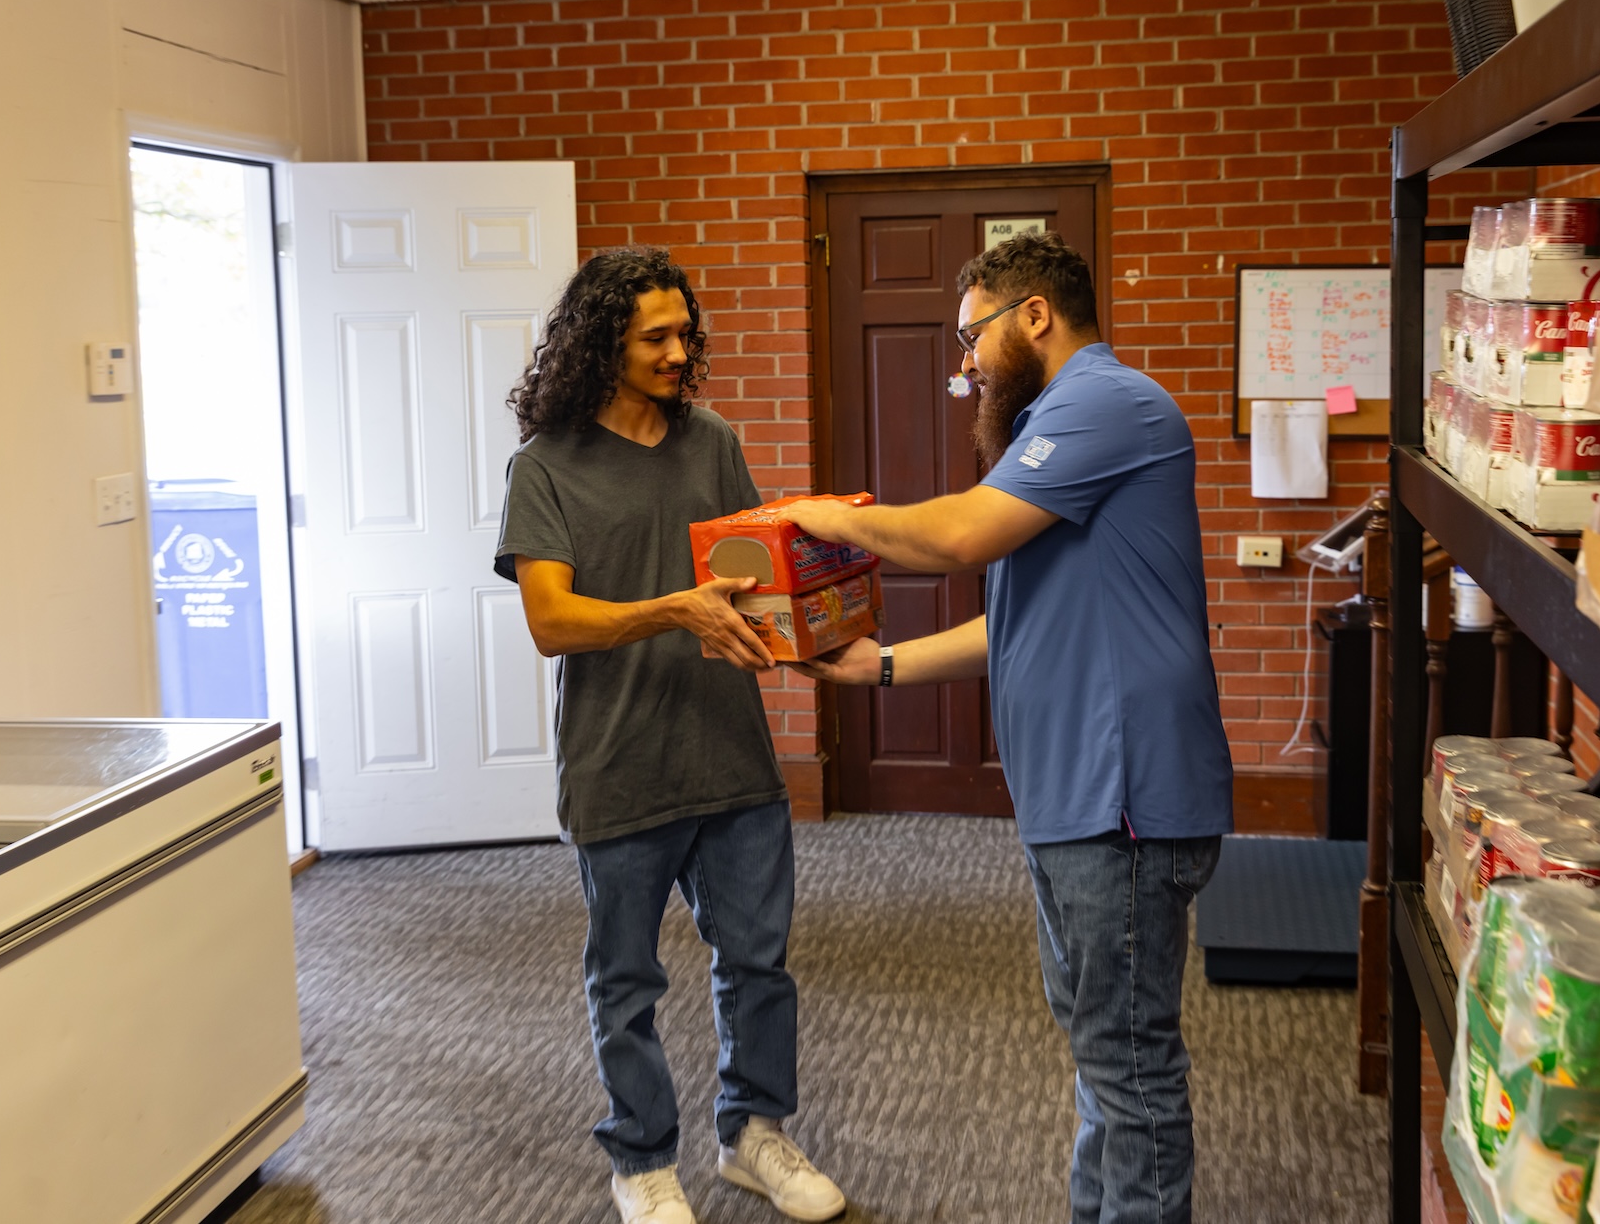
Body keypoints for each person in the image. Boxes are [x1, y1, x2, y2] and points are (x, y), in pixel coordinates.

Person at [781, 231, 1234, 1224]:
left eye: (969, 336)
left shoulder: (1104, 402)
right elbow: (1015, 617)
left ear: (1034, 314)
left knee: (1126, 1058)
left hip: (1119, 793)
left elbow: (952, 536)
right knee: (1098, 1041)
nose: (963, 362)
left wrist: (828, 514)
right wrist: (883, 664)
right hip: (1074, 794)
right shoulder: (1058, 424)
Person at [495, 249, 845, 1224]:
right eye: (655, 335)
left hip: (730, 752)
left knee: (758, 962)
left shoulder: (712, 440)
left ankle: (752, 1134)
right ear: (599, 338)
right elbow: (552, 622)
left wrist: (805, 619)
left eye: (684, 332)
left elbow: (743, 574)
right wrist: (674, 612)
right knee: (626, 979)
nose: (676, 350)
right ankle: (641, 1159)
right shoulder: (545, 465)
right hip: (619, 761)